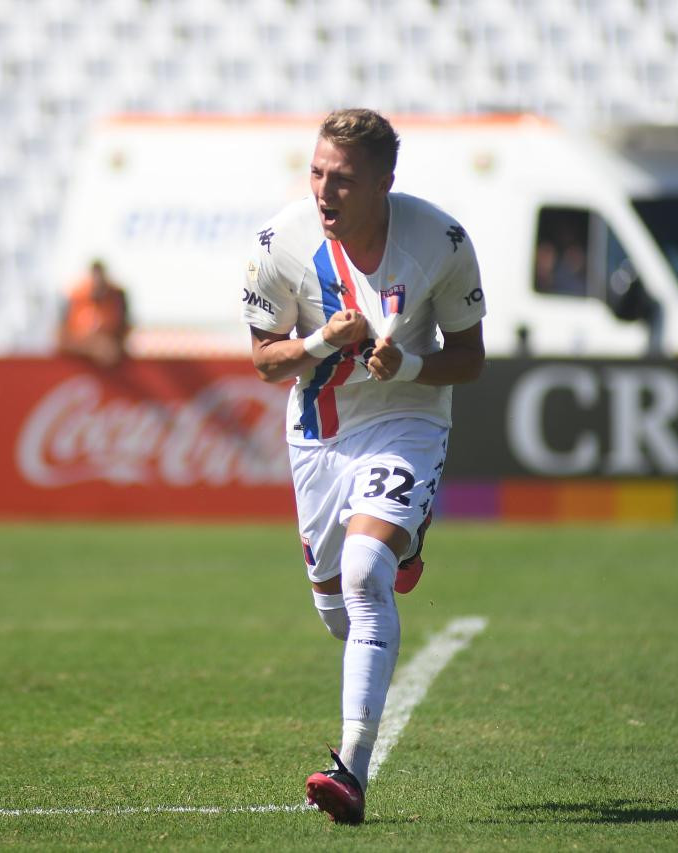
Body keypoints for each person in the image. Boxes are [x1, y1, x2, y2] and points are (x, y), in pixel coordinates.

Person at [241, 109, 486, 824]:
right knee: (336, 611)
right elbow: (262, 360)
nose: (324, 190)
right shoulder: (278, 244)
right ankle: (400, 541)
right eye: (317, 173)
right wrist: (321, 340)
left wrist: (407, 361)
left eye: (343, 179)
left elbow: (470, 358)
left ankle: (350, 767)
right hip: (319, 432)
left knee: (364, 572)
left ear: (384, 183)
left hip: (407, 420)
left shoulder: (439, 241)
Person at [57, 260, 130, 368]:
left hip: (112, 369)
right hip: (75, 368)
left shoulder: (117, 297)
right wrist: (91, 346)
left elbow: (123, 335)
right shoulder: (74, 296)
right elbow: (60, 338)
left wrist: (108, 345)